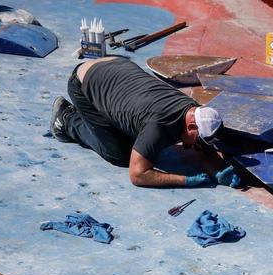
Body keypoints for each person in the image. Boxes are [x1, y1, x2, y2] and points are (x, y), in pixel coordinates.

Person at [49, 56, 240, 189]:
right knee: (120, 154)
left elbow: (202, 145)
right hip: (82, 83)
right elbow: (138, 175)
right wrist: (185, 180)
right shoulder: (158, 125)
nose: (200, 146)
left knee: (141, 142)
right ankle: (67, 118)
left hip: (114, 66)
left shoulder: (194, 110)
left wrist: (219, 170)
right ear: (191, 126)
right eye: (201, 141)